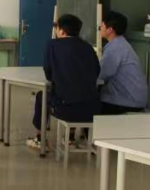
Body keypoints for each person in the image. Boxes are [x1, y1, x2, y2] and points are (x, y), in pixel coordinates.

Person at [26, 14, 101, 149]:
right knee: (76, 94)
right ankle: (70, 137)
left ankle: (40, 138)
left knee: (42, 96)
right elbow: (97, 71)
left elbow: (48, 73)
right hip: (91, 108)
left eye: (57, 28)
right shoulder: (88, 47)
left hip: (64, 109)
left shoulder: (52, 45)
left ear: (61, 31)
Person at [99, 11, 149, 114]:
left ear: (110, 29)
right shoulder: (121, 44)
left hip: (126, 102)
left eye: (102, 26)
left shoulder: (115, 48)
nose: (100, 29)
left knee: (88, 106)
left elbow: (100, 74)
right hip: (132, 99)